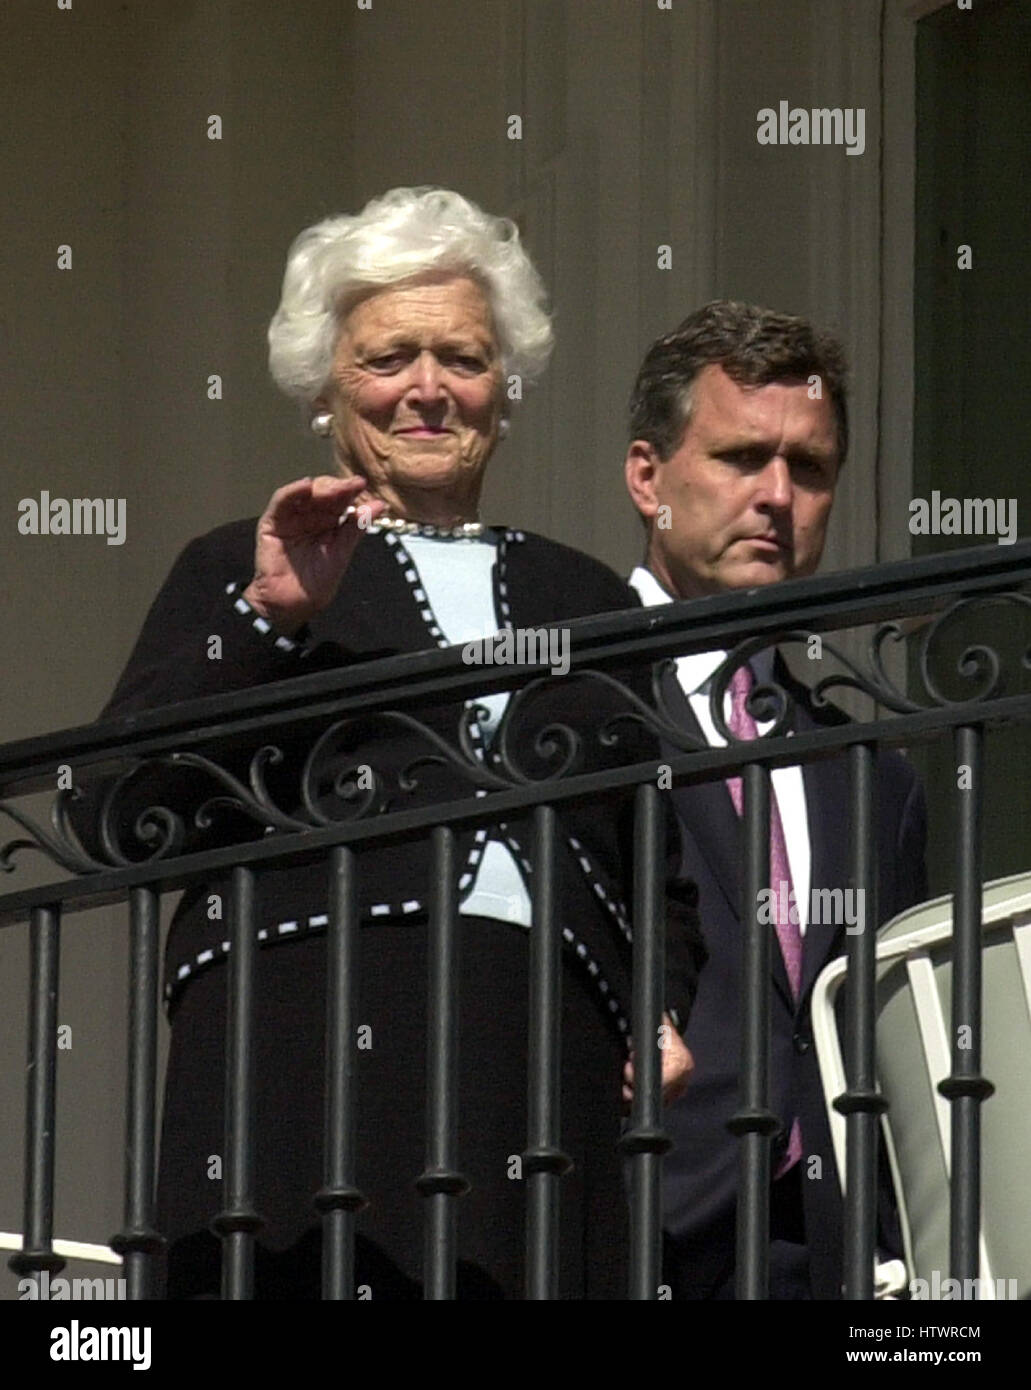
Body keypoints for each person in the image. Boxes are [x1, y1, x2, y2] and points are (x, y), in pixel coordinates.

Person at [82, 188, 704, 1300]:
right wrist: (270, 615)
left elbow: (659, 853)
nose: (427, 388)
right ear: (327, 391)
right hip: (308, 1036)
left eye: (461, 357)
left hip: (541, 1046)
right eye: (388, 359)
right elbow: (118, 806)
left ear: (502, 391)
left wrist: (655, 1001)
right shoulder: (245, 559)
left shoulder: (589, 594)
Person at [623, 300, 928, 1299]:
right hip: (633, 1228)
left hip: (835, 1251)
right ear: (645, 477)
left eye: (807, 468)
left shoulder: (869, 768)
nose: (774, 496)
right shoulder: (572, 711)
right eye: (739, 457)